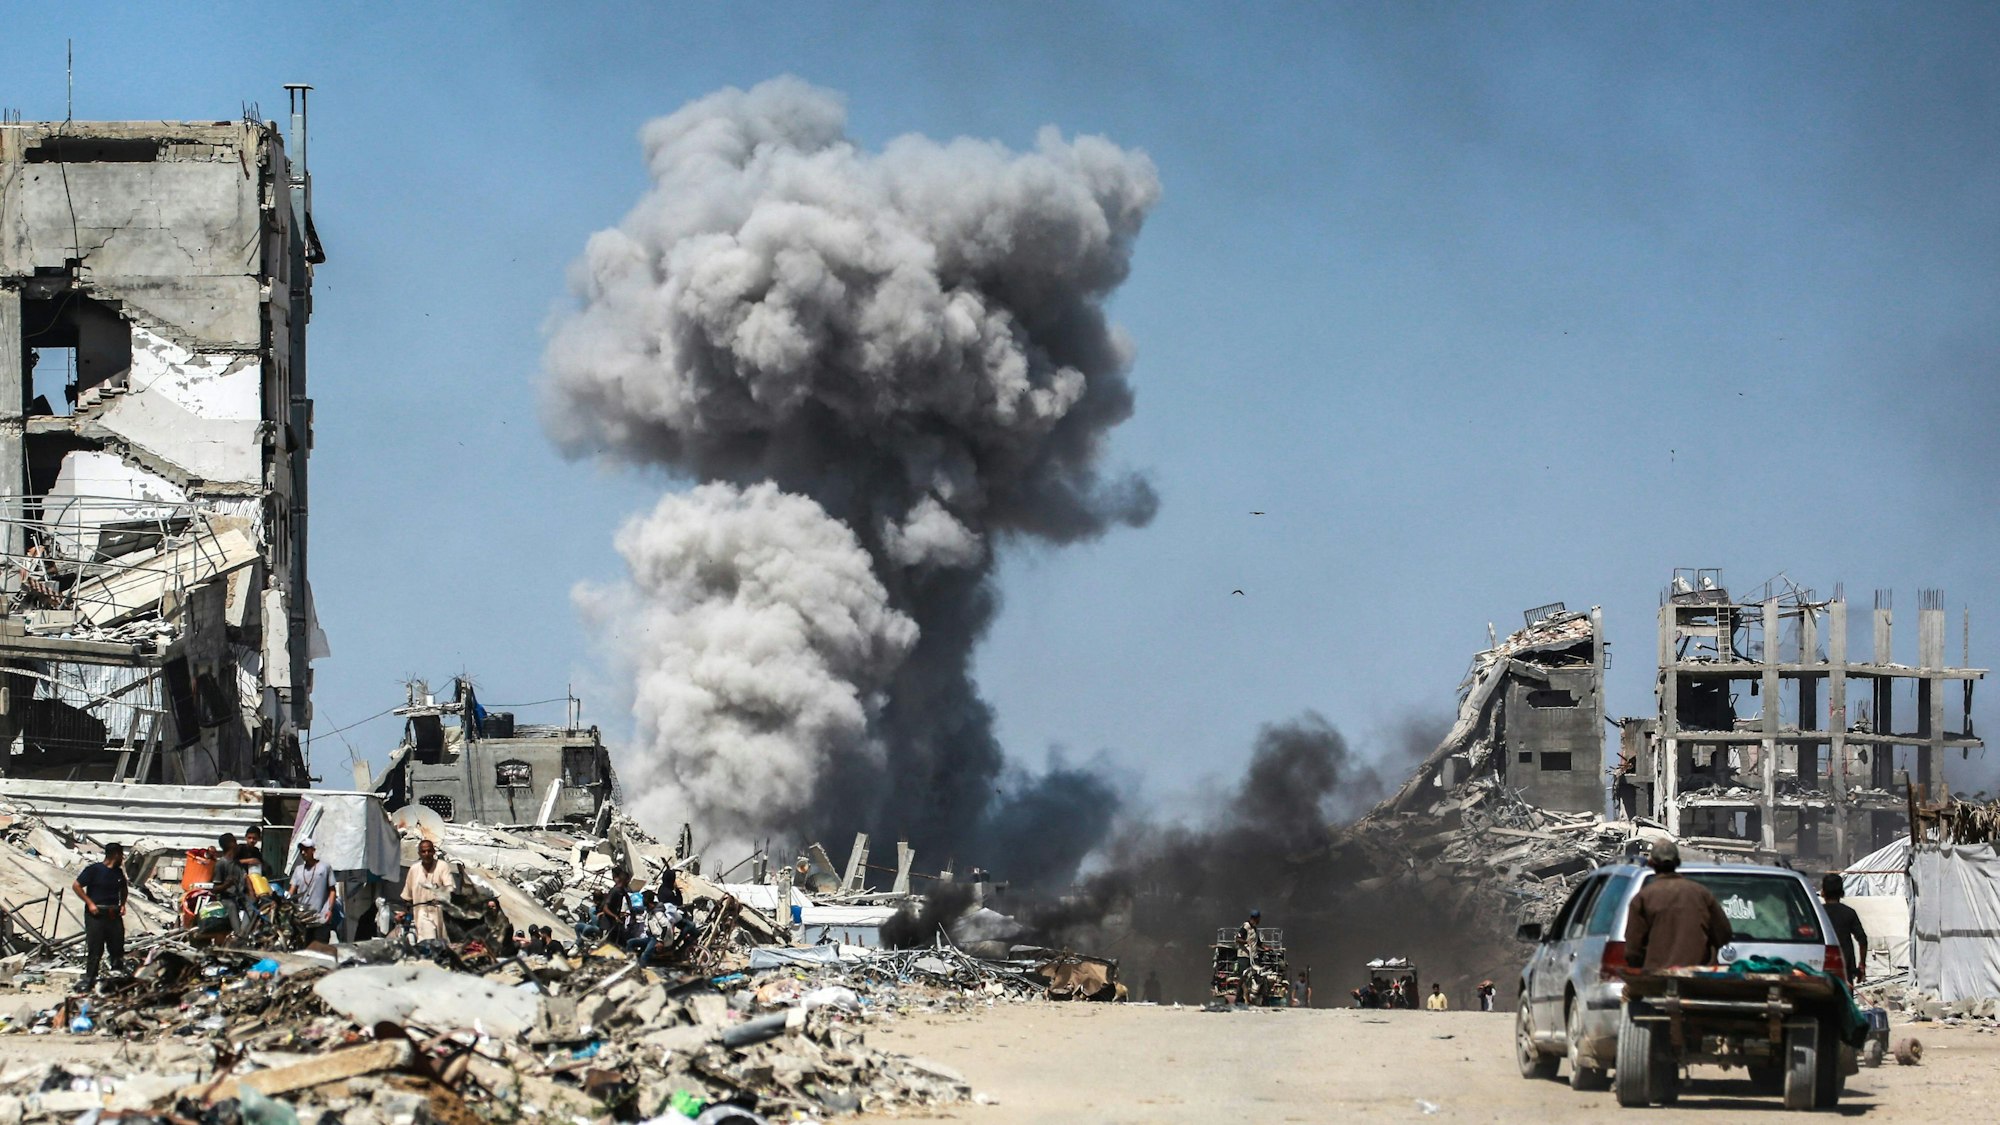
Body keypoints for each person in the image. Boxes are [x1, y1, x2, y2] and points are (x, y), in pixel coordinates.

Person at [1624, 839, 1733, 972]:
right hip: (1697, 976)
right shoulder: (1701, 893)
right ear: (1678, 862)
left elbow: (1633, 949)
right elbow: (1723, 934)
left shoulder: (1643, 897)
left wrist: (1643, 967)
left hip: (1657, 976)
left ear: (1651, 863)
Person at [72, 842, 129, 992]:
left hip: (113, 914)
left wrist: (123, 904)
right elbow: (76, 886)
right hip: (96, 915)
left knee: (117, 949)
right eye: (121, 855)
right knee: (96, 949)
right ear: (115, 855)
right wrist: (90, 903)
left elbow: (124, 888)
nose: (122, 858)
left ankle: (116, 980)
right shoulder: (94, 870)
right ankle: (90, 981)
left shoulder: (118, 872)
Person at [286, 837, 339, 945]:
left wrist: (329, 909)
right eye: (301, 850)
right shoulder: (298, 870)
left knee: (320, 948)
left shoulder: (325, 867)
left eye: (306, 849)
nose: (303, 852)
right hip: (303, 919)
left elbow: (332, 890)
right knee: (305, 949)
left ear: (313, 850)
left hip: (321, 917)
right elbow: (291, 891)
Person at [400, 838, 454, 943]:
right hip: (421, 912)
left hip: (439, 913)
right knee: (428, 941)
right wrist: (404, 912)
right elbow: (407, 896)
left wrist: (440, 896)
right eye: (423, 851)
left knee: (441, 943)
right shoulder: (414, 869)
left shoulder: (442, 866)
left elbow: (450, 888)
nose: (426, 854)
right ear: (419, 854)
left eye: (429, 851)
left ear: (433, 852)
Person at [1820, 872, 1870, 984]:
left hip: (1822, 967)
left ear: (1823, 892)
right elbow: (1862, 940)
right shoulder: (1849, 913)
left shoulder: (1817, 913)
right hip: (1845, 968)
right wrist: (1862, 965)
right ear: (1842, 893)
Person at [212, 832, 252, 937]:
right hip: (225, 898)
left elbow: (245, 878)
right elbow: (215, 889)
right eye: (235, 842)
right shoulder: (221, 864)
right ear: (231, 845)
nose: (237, 845)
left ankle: (244, 933)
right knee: (231, 906)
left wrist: (251, 894)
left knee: (252, 905)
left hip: (239, 896)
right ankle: (238, 934)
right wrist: (226, 885)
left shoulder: (237, 863)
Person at [1234, 909, 1262, 1004]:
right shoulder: (1245, 927)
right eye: (1258, 919)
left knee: (1257, 975)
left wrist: (1266, 948)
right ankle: (1239, 999)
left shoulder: (1254, 929)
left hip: (1253, 956)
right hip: (1244, 956)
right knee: (1243, 977)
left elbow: (1258, 943)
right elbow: (1238, 938)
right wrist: (1246, 942)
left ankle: (1256, 998)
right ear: (1255, 918)